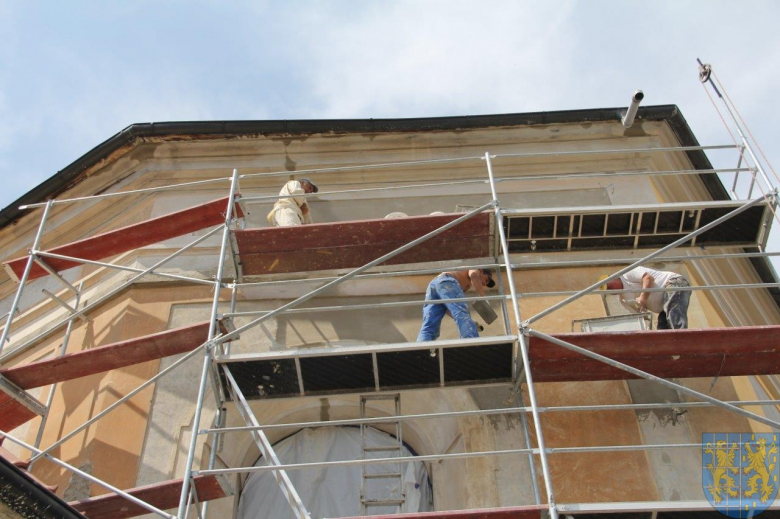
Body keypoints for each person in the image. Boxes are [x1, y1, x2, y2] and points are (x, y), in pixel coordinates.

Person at [417, 269, 496, 342]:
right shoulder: (475, 269)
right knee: (463, 316)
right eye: (487, 279)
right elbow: (474, 275)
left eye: (486, 284)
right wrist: (483, 298)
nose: (485, 284)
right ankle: (471, 344)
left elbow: (452, 308)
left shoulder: (459, 284)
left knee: (430, 323)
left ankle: (421, 348)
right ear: (481, 271)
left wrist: (471, 322)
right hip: (447, 280)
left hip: (434, 285)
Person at [602, 266, 691, 329]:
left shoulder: (628, 273)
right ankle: (674, 350)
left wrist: (642, 298)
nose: (611, 291)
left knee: (674, 316)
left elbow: (648, 278)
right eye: (608, 290)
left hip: (673, 283)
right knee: (663, 331)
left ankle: (682, 340)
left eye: (609, 286)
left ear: (613, 278)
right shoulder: (624, 300)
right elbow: (640, 316)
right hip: (663, 307)